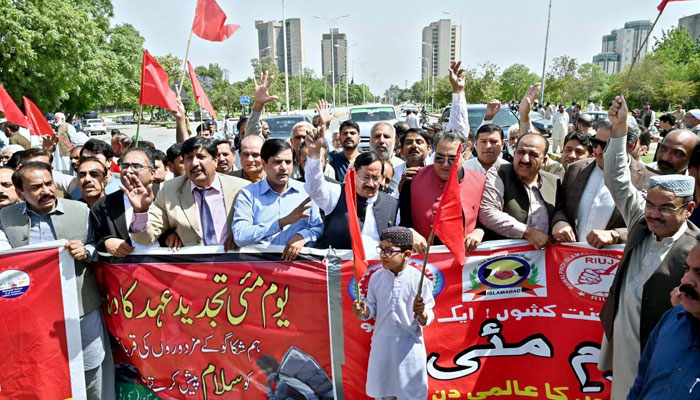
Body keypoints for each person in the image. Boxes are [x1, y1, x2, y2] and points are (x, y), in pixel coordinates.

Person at [598, 95, 700, 400]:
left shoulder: (694, 250)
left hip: (660, 353)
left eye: (665, 208)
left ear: (689, 209)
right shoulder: (640, 224)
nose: (654, 214)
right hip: (623, 348)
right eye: (650, 206)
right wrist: (618, 132)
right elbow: (617, 179)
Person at [0, 162, 114, 399]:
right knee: (41, 371)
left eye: (49, 183)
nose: (46, 191)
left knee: (90, 369)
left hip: (81, 308)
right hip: (32, 316)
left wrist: (86, 251)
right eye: (36, 187)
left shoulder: (80, 211)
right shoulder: (5, 218)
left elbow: (97, 245)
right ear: (20, 193)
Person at [304, 100, 414, 254]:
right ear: (353, 174)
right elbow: (313, 186)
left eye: (375, 178)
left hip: (377, 271)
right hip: (339, 271)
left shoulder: (392, 204)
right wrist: (314, 155)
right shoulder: (336, 194)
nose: (370, 183)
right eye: (365, 177)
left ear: (383, 178)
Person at [352, 226, 434, 400]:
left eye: (389, 251)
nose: (383, 255)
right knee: (383, 394)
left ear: (407, 255)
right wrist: (363, 310)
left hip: (409, 352)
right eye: (381, 250)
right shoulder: (376, 277)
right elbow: (371, 309)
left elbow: (428, 315)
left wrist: (421, 313)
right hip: (382, 348)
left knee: (411, 395)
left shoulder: (419, 280)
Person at [124, 136, 248, 248]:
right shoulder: (169, 190)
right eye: (188, 159)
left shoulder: (241, 188)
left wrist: (242, 236)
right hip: (192, 269)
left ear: (215, 161)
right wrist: (140, 212)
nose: (194, 163)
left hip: (236, 266)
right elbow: (144, 238)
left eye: (201, 157)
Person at [552, 119, 656, 247]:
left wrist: (616, 235)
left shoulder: (649, 180)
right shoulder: (575, 169)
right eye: (595, 143)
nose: (598, 150)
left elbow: (651, 226)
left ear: (630, 146)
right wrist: (559, 221)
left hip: (615, 262)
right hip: (571, 258)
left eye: (607, 145)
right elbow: (560, 205)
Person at [627, 241, 700, 399]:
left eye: (699, 273)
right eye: (686, 269)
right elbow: (640, 384)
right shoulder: (672, 318)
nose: (686, 281)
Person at [232, 139, 323, 260]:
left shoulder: (306, 192)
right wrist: (281, 223)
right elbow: (240, 236)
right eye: (277, 162)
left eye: (288, 162)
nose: (284, 167)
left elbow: (318, 228)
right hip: (260, 269)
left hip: (299, 269)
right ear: (264, 164)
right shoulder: (249, 194)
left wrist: (302, 236)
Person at [400, 130, 486, 253]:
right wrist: (411, 233)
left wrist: (479, 232)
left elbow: (487, 221)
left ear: (464, 155)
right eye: (439, 158)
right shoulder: (413, 179)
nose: (445, 164)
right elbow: (403, 221)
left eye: (452, 159)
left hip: (465, 258)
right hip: (423, 257)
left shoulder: (480, 181)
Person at [479, 132, 560, 248]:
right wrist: (528, 233)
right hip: (505, 258)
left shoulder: (554, 182)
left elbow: (561, 210)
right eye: (521, 152)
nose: (525, 159)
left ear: (545, 161)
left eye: (533, 155)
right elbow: (488, 212)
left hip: (543, 259)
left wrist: (561, 222)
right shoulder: (499, 173)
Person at [91, 147, 161, 258]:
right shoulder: (103, 206)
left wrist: (173, 236)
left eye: (136, 166)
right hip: (124, 271)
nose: (129, 170)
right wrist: (106, 243)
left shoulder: (166, 198)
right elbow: (95, 242)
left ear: (152, 173)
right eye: (125, 166)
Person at [394, 128, 432, 193]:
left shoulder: (436, 170)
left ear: (429, 148)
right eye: (408, 143)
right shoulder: (394, 173)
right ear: (401, 149)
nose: (414, 146)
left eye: (419, 142)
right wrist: (401, 189)